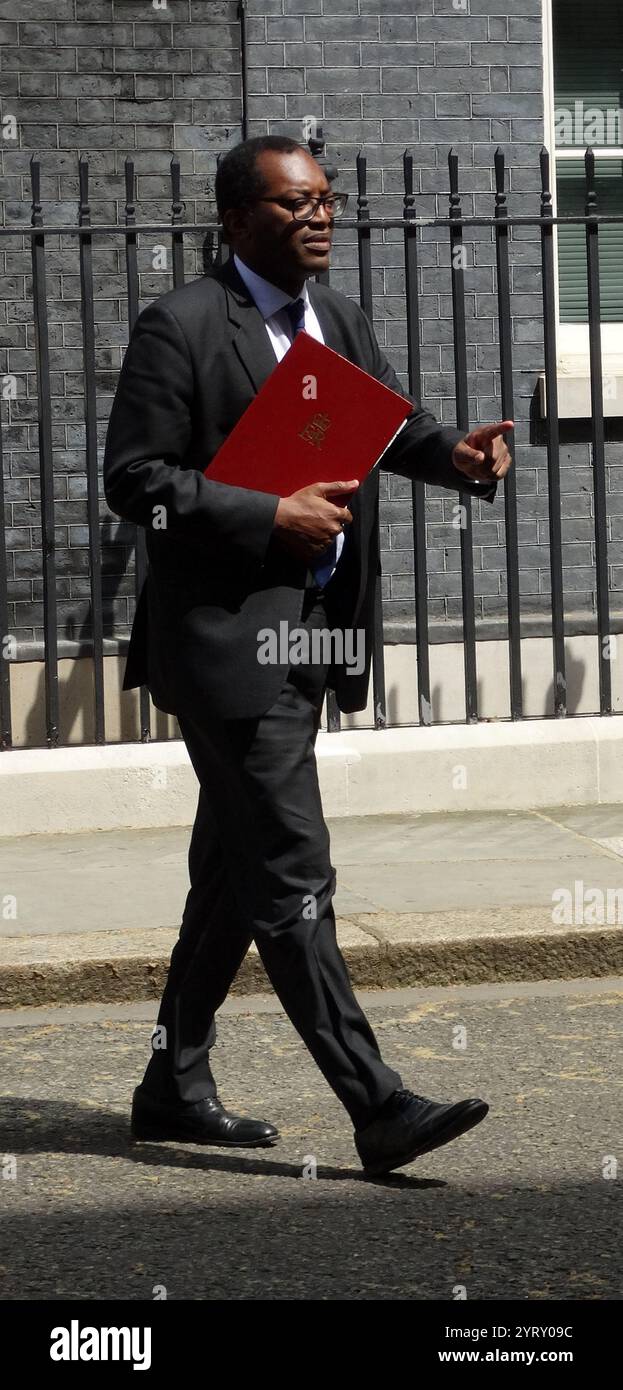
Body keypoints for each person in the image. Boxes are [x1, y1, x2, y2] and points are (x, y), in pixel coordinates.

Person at [104, 135, 512, 1177]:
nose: (318, 218)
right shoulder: (183, 326)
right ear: (237, 219)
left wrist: (456, 456)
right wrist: (261, 512)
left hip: (311, 637)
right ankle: (375, 1104)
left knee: (231, 877)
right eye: (293, 206)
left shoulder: (335, 321)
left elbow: (385, 423)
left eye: (326, 201)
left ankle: (170, 1083)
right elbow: (136, 479)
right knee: (290, 870)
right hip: (225, 648)